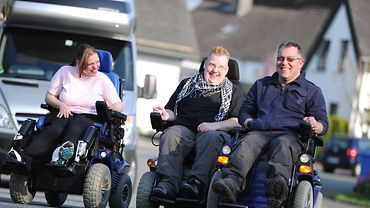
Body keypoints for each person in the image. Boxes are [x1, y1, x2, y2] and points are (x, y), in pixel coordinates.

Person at [212, 41, 328, 208]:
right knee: (247, 142)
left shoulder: (312, 92)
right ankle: (231, 183)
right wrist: (248, 121)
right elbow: (245, 111)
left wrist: (316, 125)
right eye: (280, 58)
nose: (284, 63)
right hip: (260, 132)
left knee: (283, 144)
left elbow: (323, 123)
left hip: (291, 136)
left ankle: (277, 191)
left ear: (300, 63)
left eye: (290, 59)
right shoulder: (261, 85)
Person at [8, 43, 123, 169]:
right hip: (65, 111)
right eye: (91, 64)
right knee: (54, 128)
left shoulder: (103, 79)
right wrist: (60, 104)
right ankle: (23, 156)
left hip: (89, 116)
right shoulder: (65, 71)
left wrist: (111, 108)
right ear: (79, 62)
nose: (96, 67)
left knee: (75, 127)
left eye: (97, 62)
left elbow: (118, 105)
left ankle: (61, 157)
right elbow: (49, 96)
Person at [151, 46, 244, 200]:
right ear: (205, 64)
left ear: (227, 70)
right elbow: (173, 112)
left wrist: (213, 126)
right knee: (171, 134)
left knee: (211, 138)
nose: (215, 70)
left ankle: (196, 183)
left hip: (214, 132)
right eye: (212, 65)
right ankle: (168, 184)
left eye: (221, 67)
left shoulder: (234, 91)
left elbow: (238, 121)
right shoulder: (187, 84)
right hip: (184, 129)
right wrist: (166, 115)